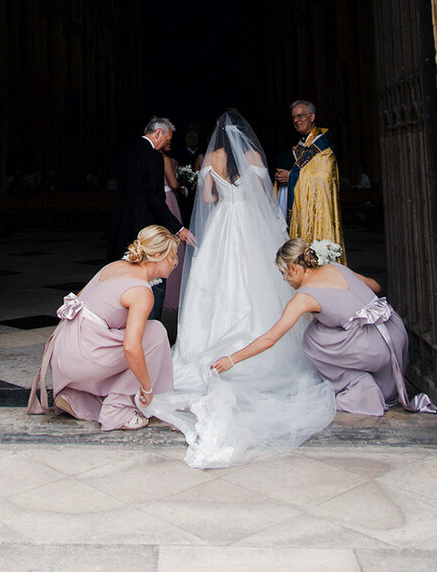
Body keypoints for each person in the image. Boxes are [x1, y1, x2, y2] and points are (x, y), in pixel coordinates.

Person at [140, 111, 336, 467]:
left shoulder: (211, 159)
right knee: (255, 284)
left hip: (223, 226)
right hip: (249, 227)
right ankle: (262, 343)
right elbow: (263, 196)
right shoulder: (255, 157)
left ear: (217, 136)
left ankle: (204, 342)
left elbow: (210, 198)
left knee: (212, 287)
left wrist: (220, 191)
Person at [212, 238, 436, 417]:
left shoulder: (303, 297)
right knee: (324, 323)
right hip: (396, 334)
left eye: (283, 274)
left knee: (312, 337)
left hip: (375, 348)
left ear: (293, 269)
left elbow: (270, 338)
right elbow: (375, 285)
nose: (285, 280)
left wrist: (232, 359)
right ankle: (368, 378)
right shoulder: (334, 267)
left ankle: (359, 386)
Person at [27, 225, 179, 431]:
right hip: (82, 356)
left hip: (62, 352)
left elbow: (80, 300)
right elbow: (131, 348)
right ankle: (118, 408)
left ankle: (76, 396)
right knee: (155, 333)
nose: (176, 263)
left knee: (131, 335)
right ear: (157, 256)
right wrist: (147, 387)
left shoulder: (114, 266)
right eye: (172, 257)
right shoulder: (142, 291)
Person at [106, 117, 194, 320]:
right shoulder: (154, 157)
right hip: (145, 227)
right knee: (154, 278)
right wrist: (178, 228)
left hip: (123, 225)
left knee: (126, 277)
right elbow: (154, 199)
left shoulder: (126, 152)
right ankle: (150, 327)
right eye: (167, 139)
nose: (167, 145)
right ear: (159, 133)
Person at [275, 100, 345, 256]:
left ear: (312, 116)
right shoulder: (303, 144)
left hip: (318, 216)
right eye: (293, 117)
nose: (296, 120)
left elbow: (324, 178)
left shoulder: (323, 148)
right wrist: (284, 175)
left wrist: (291, 176)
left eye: (300, 116)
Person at [162, 140, 185, 312]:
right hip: (168, 199)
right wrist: (182, 186)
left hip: (159, 198)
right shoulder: (164, 159)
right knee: (172, 241)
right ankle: (174, 290)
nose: (170, 145)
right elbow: (174, 183)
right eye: (168, 141)